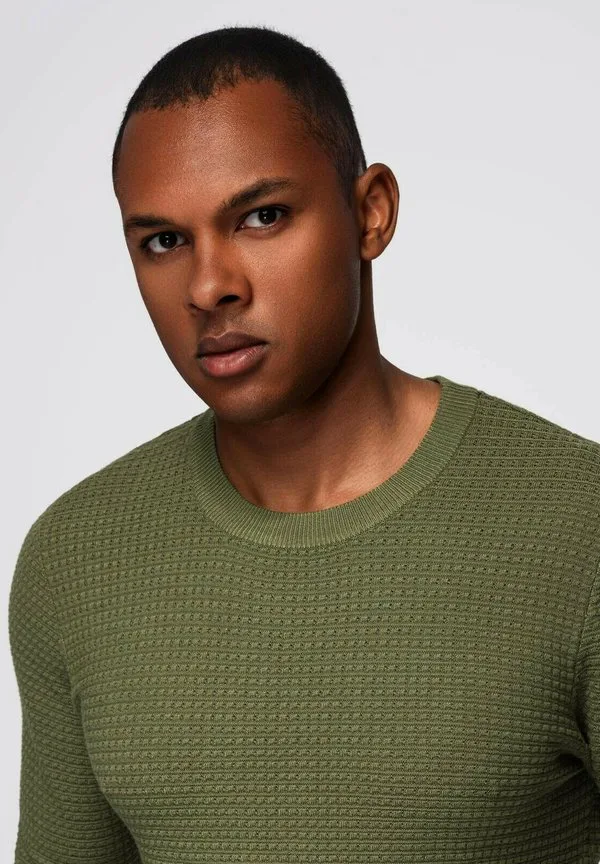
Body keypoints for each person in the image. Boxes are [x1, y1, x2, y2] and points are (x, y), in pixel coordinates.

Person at [8, 24, 600, 864]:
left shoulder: (578, 526)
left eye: (262, 216)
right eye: (164, 242)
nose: (209, 286)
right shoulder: (76, 560)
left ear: (370, 213)